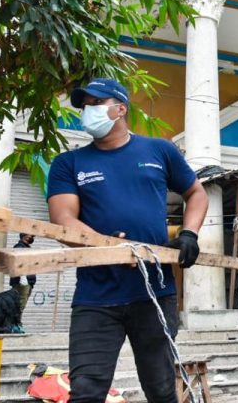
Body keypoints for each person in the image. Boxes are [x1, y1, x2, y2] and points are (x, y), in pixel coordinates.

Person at [47, 78, 208, 403]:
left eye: (96, 103)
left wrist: (189, 233)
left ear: (120, 108)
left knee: (161, 390)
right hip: (96, 296)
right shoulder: (69, 163)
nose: (87, 111)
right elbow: (63, 220)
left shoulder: (159, 150)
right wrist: (105, 245)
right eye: (84, 106)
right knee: (86, 392)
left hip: (154, 294)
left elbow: (196, 192)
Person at [9, 233, 36, 312]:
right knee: (19, 305)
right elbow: (18, 263)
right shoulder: (19, 247)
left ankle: (15, 323)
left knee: (21, 306)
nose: (32, 237)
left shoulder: (26, 248)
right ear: (25, 236)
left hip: (28, 281)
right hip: (22, 282)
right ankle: (13, 323)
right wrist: (22, 278)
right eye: (31, 235)